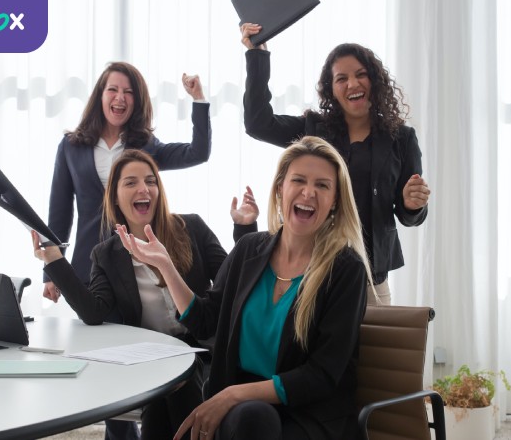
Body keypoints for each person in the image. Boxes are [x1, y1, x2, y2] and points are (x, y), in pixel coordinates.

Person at [118, 136, 372, 440]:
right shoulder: (250, 249)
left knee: (251, 416)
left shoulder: (345, 268)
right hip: (242, 403)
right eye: (299, 180)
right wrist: (166, 267)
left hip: (306, 412)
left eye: (322, 185)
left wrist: (233, 396)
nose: (309, 192)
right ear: (280, 190)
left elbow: (322, 375)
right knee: (166, 398)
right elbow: (205, 321)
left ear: (334, 202)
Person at [32, 150, 258, 440]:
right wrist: (53, 260)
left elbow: (234, 281)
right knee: (159, 403)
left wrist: (244, 228)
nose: (144, 189)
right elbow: (94, 311)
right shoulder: (106, 254)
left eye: (150, 181)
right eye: (131, 182)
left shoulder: (192, 228)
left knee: (180, 386)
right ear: (115, 196)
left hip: (201, 350)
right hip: (151, 357)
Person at [240, 24, 431, 305]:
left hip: (370, 278)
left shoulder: (401, 138)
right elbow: (258, 124)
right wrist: (258, 56)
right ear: (331, 90)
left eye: (361, 75)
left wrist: (413, 204)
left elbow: (409, 216)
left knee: (374, 351)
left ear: (374, 81)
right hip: (311, 269)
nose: (352, 84)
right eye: (341, 79)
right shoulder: (313, 129)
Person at [45, 61, 212, 304]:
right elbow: (59, 214)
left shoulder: (147, 146)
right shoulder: (71, 147)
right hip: (87, 265)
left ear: (137, 101)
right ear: (100, 95)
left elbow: (198, 153)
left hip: (136, 266)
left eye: (129, 92)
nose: (120, 98)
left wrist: (198, 98)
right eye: (113, 90)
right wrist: (51, 271)